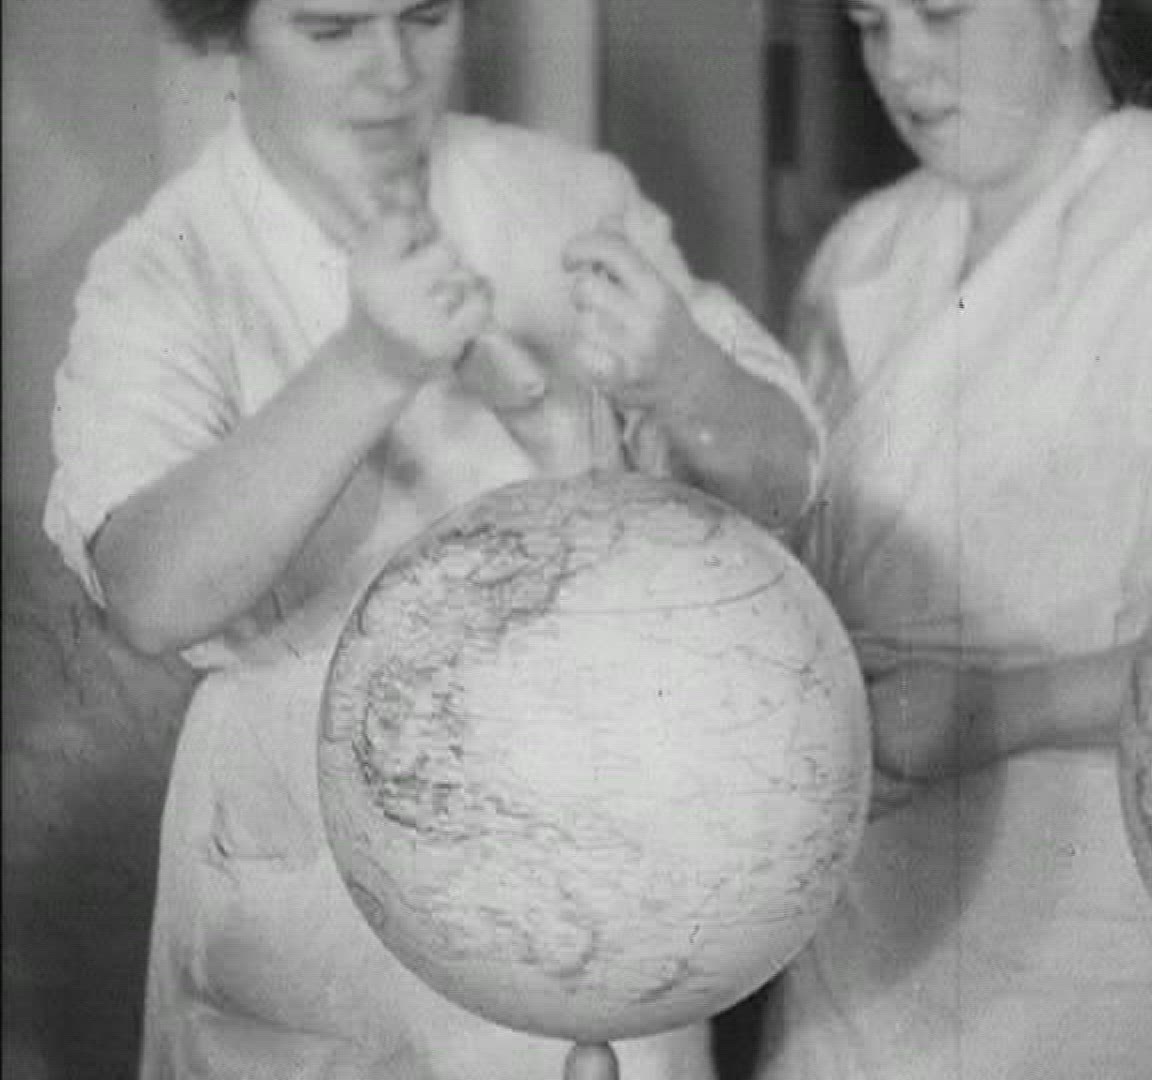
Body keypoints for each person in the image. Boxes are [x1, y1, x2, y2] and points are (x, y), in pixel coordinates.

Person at [41, 1, 822, 1077]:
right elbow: (148, 594)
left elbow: (787, 477)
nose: (393, 70)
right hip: (308, 896)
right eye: (332, 30)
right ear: (232, 30)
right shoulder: (169, 267)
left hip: (592, 847)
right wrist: (367, 366)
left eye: (424, 16)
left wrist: (689, 376)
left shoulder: (565, 196)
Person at [755, 0, 1152, 1077]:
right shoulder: (866, 249)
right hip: (865, 956)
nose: (902, 65)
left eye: (940, 14)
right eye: (871, 23)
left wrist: (1002, 711)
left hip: (1113, 959)